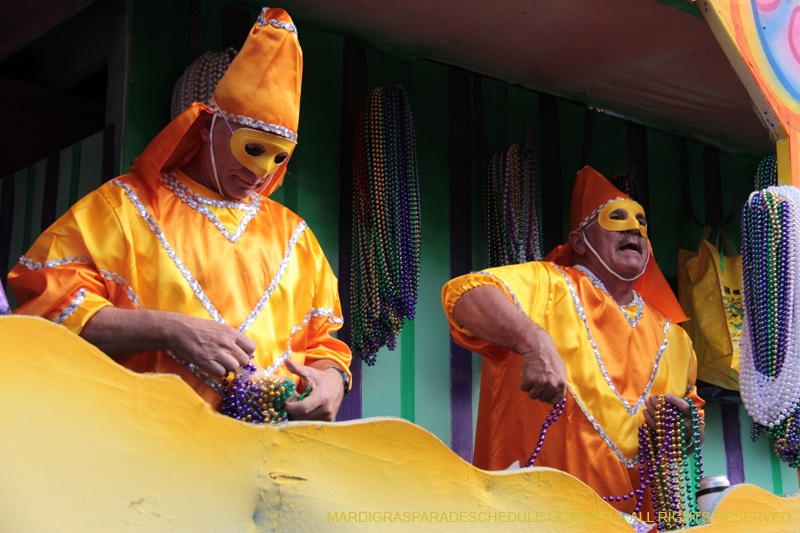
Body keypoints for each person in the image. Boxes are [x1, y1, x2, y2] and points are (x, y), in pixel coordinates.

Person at [8, 7, 351, 421]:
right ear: (208, 125)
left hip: (265, 466)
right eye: (252, 148)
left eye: (279, 157)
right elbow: (45, 310)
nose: (260, 172)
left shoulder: (296, 239)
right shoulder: (123, 207)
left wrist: (332, 380)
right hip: (141, 449)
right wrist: (168, 330)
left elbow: (324, 345)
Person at [441, 166, 704, 514]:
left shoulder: (678, 339)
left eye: (641, 223)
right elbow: (464, 295)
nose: (633, 229)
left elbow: (693, 425)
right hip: (542, 514)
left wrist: (685, 428)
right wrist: (533, 340)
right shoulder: (550, 285)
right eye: (617, 218)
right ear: (579, 241)